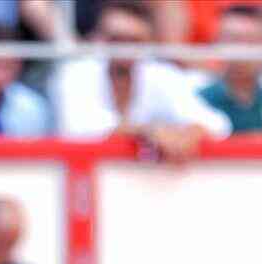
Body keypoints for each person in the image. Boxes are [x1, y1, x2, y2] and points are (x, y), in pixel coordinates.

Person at [51, 0, 231, 155]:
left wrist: (191, 133)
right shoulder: (75, 74)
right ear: (98, 38)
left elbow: (218, 125)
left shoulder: (159, 74)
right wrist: (148, 132)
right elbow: (79, 127)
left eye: (133, 40)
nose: (124, 49)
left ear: (148, 42)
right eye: (116, 39)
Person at [195, 3, 262, 134]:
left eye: (251, 41)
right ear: (217, 42)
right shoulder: (196, 97)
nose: (242, 50)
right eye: (233, 40)